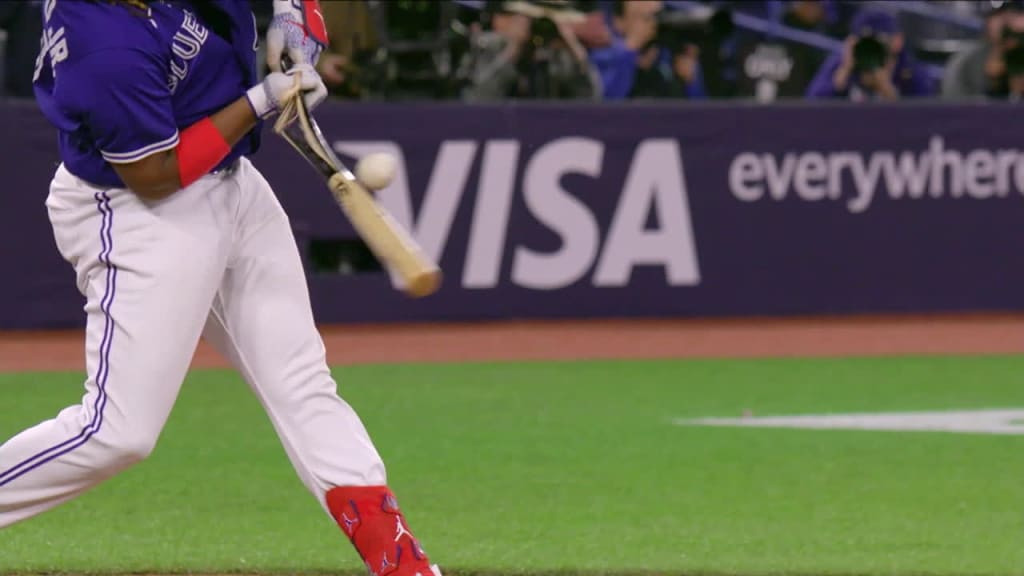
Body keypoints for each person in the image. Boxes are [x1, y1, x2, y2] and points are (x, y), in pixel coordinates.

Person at [0, 2, 442, 576]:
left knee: (302, 382)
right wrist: (261, 99)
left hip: (232, 184)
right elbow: (157, 175)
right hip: (139, 212)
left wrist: (294, 18)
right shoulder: (101, 42)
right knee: (117, 433)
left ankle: (402, 564)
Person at [805, 9, 935, 101]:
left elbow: (925, 119)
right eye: (864, 40)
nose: (870, 47)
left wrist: (887, 89)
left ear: (897, 41)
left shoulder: (909, 69)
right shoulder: (843, 62)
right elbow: (811, 106)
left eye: (878, 40)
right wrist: (841, 77)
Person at [942, 1, 1024, 100]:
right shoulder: (967, 59)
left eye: (1016, 14)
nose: (1009, 23)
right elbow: (954, 103)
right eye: (1000, 16)